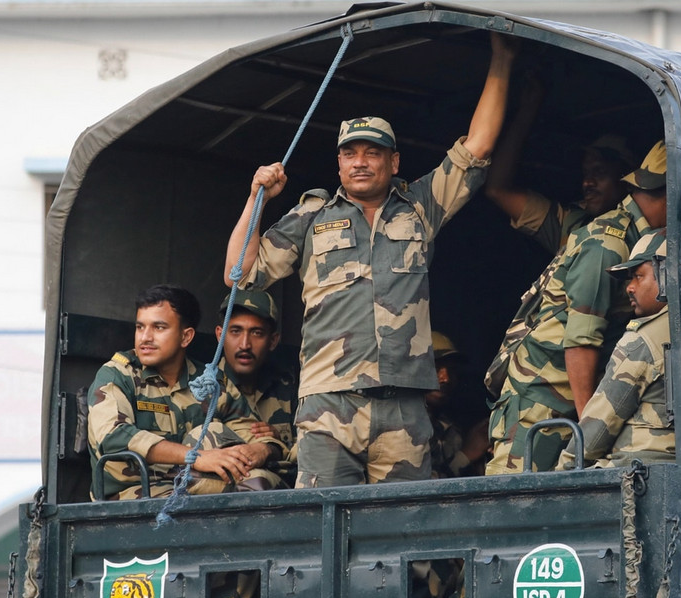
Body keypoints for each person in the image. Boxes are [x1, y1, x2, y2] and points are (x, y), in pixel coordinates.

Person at [224, 34, 516, 488]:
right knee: (322, 529)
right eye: (350, 153)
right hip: (327, 405)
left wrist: (502, 58)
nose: (360, 162)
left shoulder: (420, 207)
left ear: (393, 161)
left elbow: (476, 148)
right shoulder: (312, 213)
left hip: (403, 404)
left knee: (402, 536)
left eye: (372, 152)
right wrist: (256, 198)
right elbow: (240, 273)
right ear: (338, 163)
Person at [486, 140, 668, 474]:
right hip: (542, 402)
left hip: (569, 397)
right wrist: (590, 432)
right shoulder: (608, 243)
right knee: (514, 509)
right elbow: (581, 341)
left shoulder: (639, 239)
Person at [87, 284, 269, 500]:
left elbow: (251, 432)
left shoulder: (209, 381)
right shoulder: (118, 374)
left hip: (195, 485)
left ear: (186, 337)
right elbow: (112, 437)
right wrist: (196, 457)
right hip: (134, 495)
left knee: (262, 480)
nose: (145, 338)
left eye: (159, 327)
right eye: (140, 327)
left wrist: (263, 449)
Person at [555, 230, 681, 469]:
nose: (630, 287)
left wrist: (561, 474)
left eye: (639, 276)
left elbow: (595, 432)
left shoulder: (644, 339)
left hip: (640, 472)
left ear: (669, 274)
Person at [485, 76, 637, 254]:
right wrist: (527, 111)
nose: (587, 183)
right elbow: (498, 190)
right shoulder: (572, 222)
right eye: (585, 173)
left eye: (599, 172)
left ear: (627, 177)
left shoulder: (645, 234)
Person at [213, 288, 298, 489]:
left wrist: (278, 443)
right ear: (220, 335)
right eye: (235, 331)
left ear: (273, 340)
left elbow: (312, 454)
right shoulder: (203, 387)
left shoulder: (290, 389)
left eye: (257, 333)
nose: (245, 344)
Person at [426, 331, 489, 479]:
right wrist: (466, 456)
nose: (445, 378)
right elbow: (419, 488)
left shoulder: (450, 428)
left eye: (452, 371)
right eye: (436, 369)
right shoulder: (403, 427)